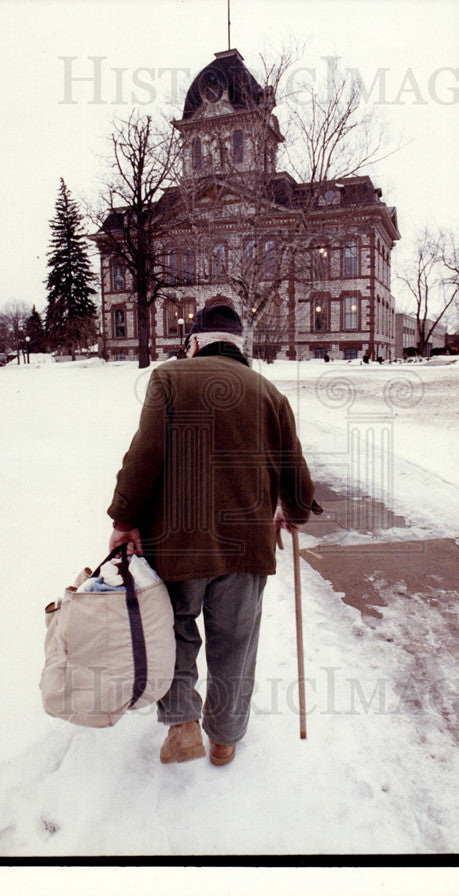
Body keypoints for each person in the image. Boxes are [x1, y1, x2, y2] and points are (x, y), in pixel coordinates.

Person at [107, 299, 315, 767]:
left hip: (177, 544)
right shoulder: (269, 394)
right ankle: (224, 738)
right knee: (236, 642)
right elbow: (294, 471)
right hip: (246, 547)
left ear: (195, 342)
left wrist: (124, 521)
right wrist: (295, 511)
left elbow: (144, 457)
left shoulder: (168, 378)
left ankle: (182, 724)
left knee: (174, 631)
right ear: (239, 345)